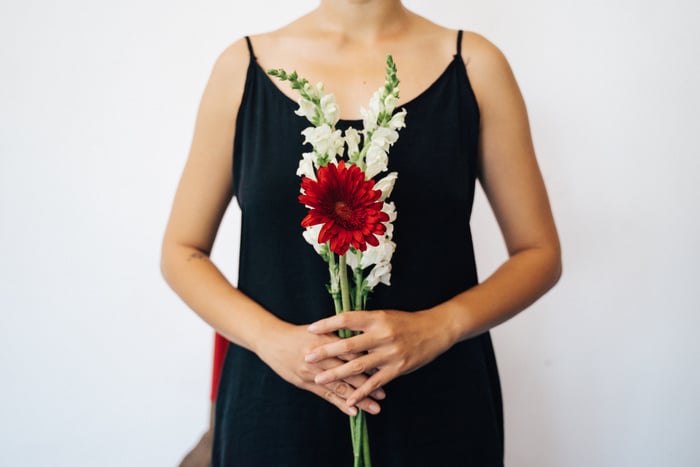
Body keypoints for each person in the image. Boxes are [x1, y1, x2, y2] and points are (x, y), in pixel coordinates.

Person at [161, 0, 562, 465]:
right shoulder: (241, 67)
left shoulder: (474, 64)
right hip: (274, 412)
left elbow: (539, 252)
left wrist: (439, 327)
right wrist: (272, 340)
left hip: (437, 413)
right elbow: (181, 251)